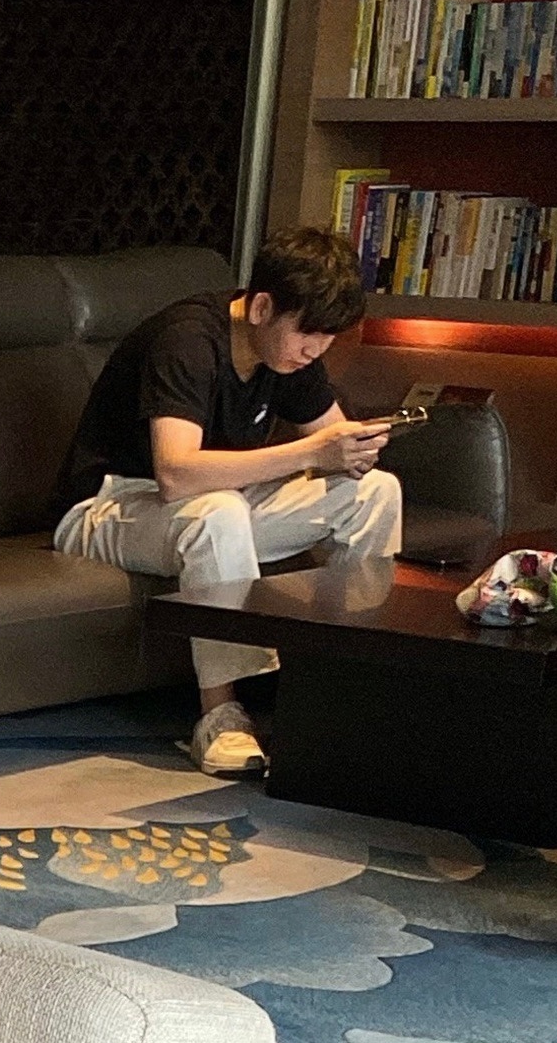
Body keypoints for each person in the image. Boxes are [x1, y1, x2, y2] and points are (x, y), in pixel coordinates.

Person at [52, 224, 401, 777]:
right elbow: (175, 473)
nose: (315, 350)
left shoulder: (289, 356)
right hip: (109, 505)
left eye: (328, 339)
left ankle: (342, 689)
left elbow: (333, 443)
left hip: (212, 504)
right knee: (219, 511)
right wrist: (313, 451)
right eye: (307, 334)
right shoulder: (189, 340)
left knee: (374, 491)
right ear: (261, 308)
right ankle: (221, 717)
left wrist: (354, 451)